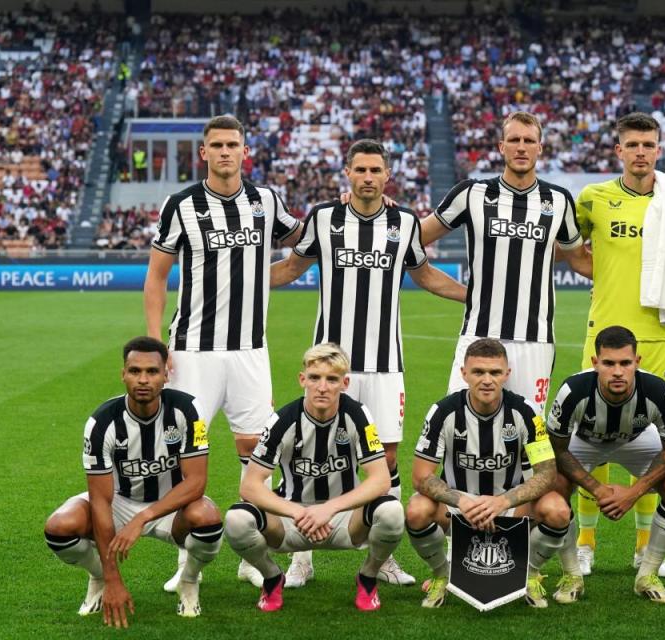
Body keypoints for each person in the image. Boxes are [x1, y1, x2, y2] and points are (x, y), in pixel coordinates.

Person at [270, 138, 467, 587]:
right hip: (329, 363)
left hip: (385, 363)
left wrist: (474, 295)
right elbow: (291, 267)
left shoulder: (404, 224)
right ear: (348, 173)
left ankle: (382, 556)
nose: (367, 177)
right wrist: (237, 280)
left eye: (375, 170)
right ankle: (303, 555)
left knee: (388, 458)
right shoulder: (323, 218)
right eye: (359, 170)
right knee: (313, 450)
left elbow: (427, 276)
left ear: (387, 176)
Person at [144, 115, 302, 591]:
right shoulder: (182, 205)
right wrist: (156, 345)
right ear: (205, 153)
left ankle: (252, 554)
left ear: (245, 151)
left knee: (256, 453)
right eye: (218, 145)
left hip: (251, 351)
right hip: (193, 352)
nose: (226, 151)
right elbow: (156, 278)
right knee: (182, 455)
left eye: (234, 144)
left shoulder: (266, 201)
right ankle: (185, 560)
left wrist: (343, 209)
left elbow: (303, 238)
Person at [572, 112, 665, 579]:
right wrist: (601, 274)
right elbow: (568, 244)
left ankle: (645, 549)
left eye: (649, 144)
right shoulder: (594, 198)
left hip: (661, 336)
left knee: (653, 441)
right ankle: (585, 542)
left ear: (659, 150)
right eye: (632, 144)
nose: (641, 152)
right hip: (605, 334)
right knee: (590, 437)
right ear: (618, 150)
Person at [420, 111, 591, 417]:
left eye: (529, 141)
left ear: (540, 148)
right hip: (479, 333)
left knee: (527, 437)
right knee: (460, 426)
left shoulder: (559, 201)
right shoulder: (472, 194)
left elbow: (581, 260)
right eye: (514, 140)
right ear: (501, 147)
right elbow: (413, 236)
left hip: (534, 342)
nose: (521, 147)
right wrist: (368, 210)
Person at [43, 337, 222, 627]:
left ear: (166, 374)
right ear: (123, 374)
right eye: (135, 371)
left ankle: (188, 581)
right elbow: (100, 500)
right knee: (60, 527)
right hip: (119, 502)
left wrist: (143, 518)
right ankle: (99, 577)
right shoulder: (101, 424)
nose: (143, 379)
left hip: (171, 506)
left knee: (208, 519)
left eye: (152, 371)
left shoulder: (188, 410)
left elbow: (197, 482)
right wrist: (113, 577)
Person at [223, 343, 404, 612]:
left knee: (392, 512)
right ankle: (272, 578)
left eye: (331, 379)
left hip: (343, 519)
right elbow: (250, 486)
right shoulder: (282, 420)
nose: (322, 387)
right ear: (302, 379)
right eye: (315, 378)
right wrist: (298, 512)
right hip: (292, 520)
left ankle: (367, 577)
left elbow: (380, 480)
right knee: (236, 519)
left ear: (344, 383)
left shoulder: (357, 414)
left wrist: (328, 508)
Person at [405, 338, 570, 609]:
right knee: (416, 509)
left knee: (557, 509)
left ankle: (527, 574)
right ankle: (442, 575)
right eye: (478, 372)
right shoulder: (442, 412)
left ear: (507, 374)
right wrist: (463, 501)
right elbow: (421, 476)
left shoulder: (526, 412)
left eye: (495, 372)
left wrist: (502, 501)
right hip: (460, 511)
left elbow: (547, 473)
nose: (487, 380)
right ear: (464, 373)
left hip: (510, 509)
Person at [547, 326, 665, 605]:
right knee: (554, 483)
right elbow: (558, 450)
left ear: (638, 362)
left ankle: (648, 573)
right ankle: (572, 574)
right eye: (609, 363)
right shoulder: (573, 390)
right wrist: (597, 489)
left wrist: (632, 494)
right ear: (595, 363)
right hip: (585, 441)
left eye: (625, 363)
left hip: (637, 439)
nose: (618, 371)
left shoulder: (658, 391)